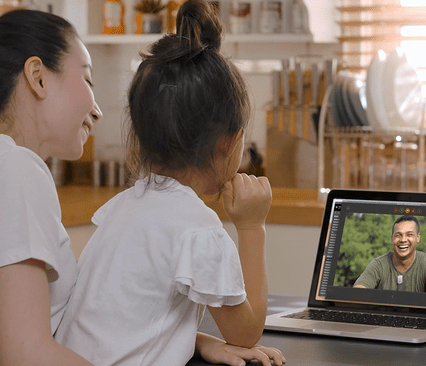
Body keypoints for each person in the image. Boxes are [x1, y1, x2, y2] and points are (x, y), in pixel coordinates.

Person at [55, 1, 285, 365]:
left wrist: (199, 341)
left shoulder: (125, 208)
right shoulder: (197, 228)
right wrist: (253, 225)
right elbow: (245, 332)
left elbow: (127, 320)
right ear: (229, 144)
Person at [353, 215, 426, 294]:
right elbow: (357, 291)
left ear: (418, 237)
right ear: (392, 239)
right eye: (398, 235)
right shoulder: (378, 264)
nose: (403, 240)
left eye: (409, 235)